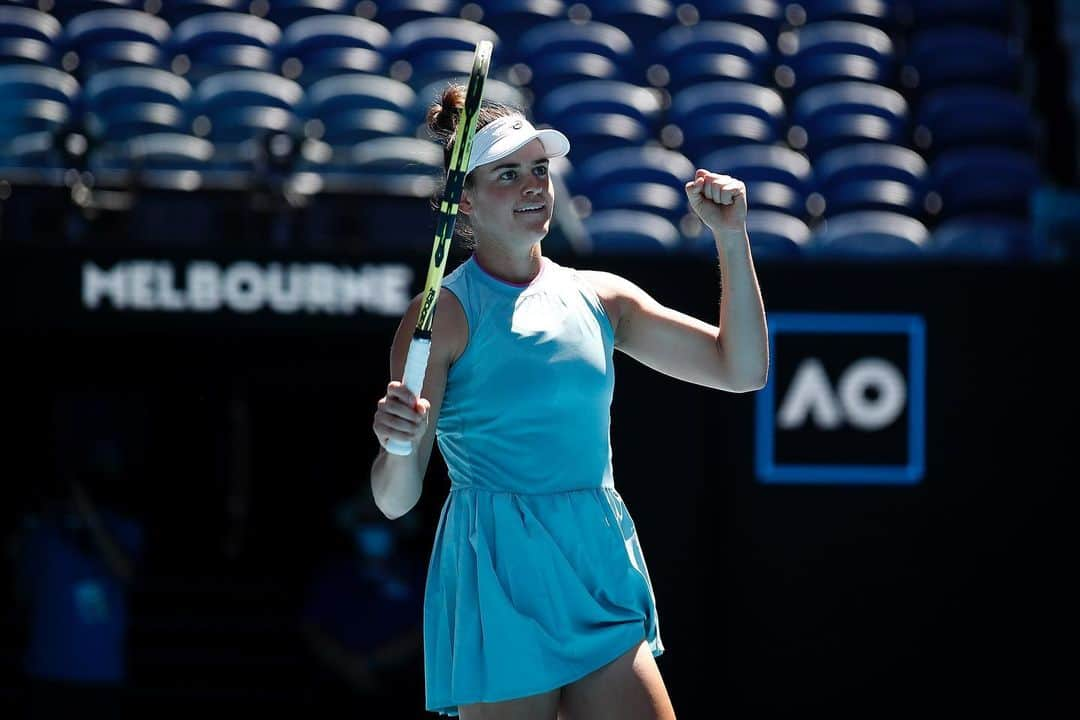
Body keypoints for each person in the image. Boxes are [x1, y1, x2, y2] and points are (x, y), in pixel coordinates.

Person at [370, 85, 769, 720]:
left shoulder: (602, 296)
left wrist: (730, 237)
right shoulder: (441, 315)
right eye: (508, 174)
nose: (534, 186)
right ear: (464, 202)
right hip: (498, 570)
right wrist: (396, 444)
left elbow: (741, 369)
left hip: (595, 557)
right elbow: (395, 499)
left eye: (539, 170)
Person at [11, 468, 144, 720]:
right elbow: (23, 594)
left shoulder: (120, 526)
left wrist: (90, 517)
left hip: (99, 674)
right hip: (45, 671)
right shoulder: (41, 530)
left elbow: (126, 572)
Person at [299, 493, 426, 716]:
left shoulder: (415, 575)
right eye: (367, 521)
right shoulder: (334, 574)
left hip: (399, 688)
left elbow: (424, 631)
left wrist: (372, 663)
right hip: (336, 687)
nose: (374, 529)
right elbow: (311, 626)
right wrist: (348, 666)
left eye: (381, 521)